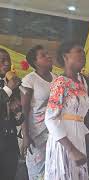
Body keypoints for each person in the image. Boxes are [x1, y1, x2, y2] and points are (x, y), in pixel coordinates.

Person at [44, 41, 89, 180]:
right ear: (65, 56)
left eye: (83, 52)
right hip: (64, 143)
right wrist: (71, 150)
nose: (83, 55)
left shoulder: (82, 83)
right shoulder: (60, 82)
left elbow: (78, 121)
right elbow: (50, 118)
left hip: (79, 141)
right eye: (78, 51)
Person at [20, 45, 56, 180]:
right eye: (43, 55)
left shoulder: (56, 78)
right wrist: (26, 136)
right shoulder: (29, 80)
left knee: (53, 169)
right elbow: (24, 109)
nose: (48, 56)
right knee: (38, 171)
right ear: (35, 62)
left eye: (48, 53)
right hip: (36, 133)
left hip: (54, 131)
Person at [0, 48, 23, 180]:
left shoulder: (13, 85)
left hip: (10, 143)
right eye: (2, 60)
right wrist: (8, 88)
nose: (7, 64)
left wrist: (18, 114)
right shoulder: (10, 86)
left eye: (8, 60)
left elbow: (18, 119)